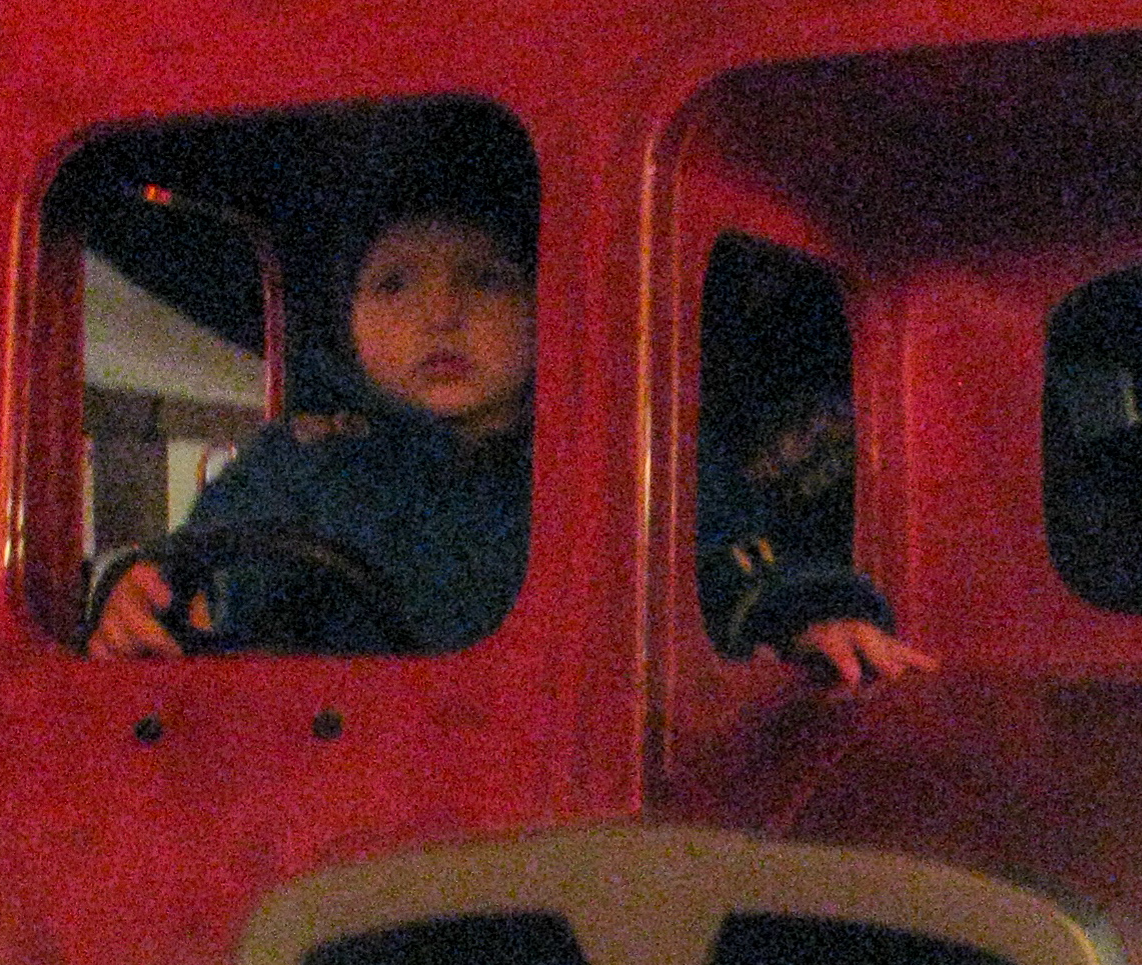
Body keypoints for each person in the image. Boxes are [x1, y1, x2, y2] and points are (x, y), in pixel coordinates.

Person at [88, 180, 935, 686]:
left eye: (486, 281)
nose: (440, 313)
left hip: (533, 796)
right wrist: (136, 592)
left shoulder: (621, 450)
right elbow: (193, 565)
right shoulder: (299, 456)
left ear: (547, 304)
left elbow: (737, 562)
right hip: (315, 780)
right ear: (346, 325)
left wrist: (813, 616)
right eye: (393, 285)